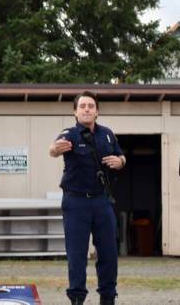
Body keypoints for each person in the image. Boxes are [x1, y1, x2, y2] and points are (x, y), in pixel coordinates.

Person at [50, 91, 125, 305]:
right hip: (76, 203)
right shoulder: (70, 134)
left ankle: (108, 298)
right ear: (75, 111)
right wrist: (55, 149)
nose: (86, 109)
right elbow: (53, 149)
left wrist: (121, 162)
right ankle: (76, 298)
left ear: (97, 111)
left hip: (102, 201)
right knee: (77, 256)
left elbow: (121, 156)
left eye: (91, 106)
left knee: (109, 254)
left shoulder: (108, 134)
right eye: (82, 106)